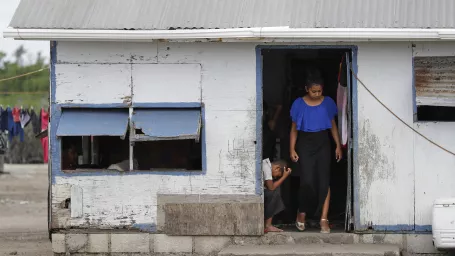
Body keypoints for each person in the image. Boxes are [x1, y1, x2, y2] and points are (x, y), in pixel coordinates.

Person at [289, 75, 342, 234]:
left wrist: (338, 146)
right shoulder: (298, 104)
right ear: (306, 89)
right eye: (313, 91)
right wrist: (292, 149)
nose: (317, 94)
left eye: (319, 91)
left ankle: (323, 219)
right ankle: (302, 213)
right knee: (307, 181)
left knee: (324, 181)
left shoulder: (328, 103)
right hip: (305, 143)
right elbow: (293, 129)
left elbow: (333, 125)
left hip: (323, 142)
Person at [263, 158, 292, 232]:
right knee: (274, 193)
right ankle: (268, 225)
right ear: (277, 168)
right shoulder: (266, 167)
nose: (275, 177)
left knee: (275, 191)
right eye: (277, 175)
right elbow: (271, 187)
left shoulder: (266, 164)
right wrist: (284, 177)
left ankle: (267, 224)